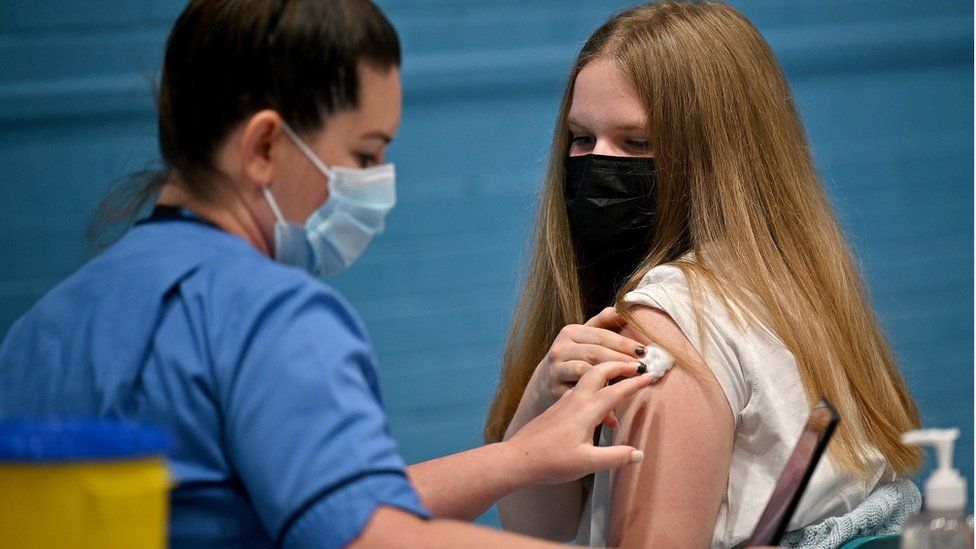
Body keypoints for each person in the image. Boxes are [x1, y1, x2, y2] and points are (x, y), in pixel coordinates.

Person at [0, 1, 658, 548]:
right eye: (364, 153)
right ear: (263, 146)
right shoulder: (269, 313)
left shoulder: (43, 327)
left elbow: (312, 497)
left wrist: (516, 457)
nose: (375, 185)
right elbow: (363, 535)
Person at [485, 2, 924, 547]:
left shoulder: (671, 322)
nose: (597, 164)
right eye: (581, 138)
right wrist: (537, 405)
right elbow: (546, 530)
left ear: (720, 155)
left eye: (636, 143)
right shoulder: (792, 289)